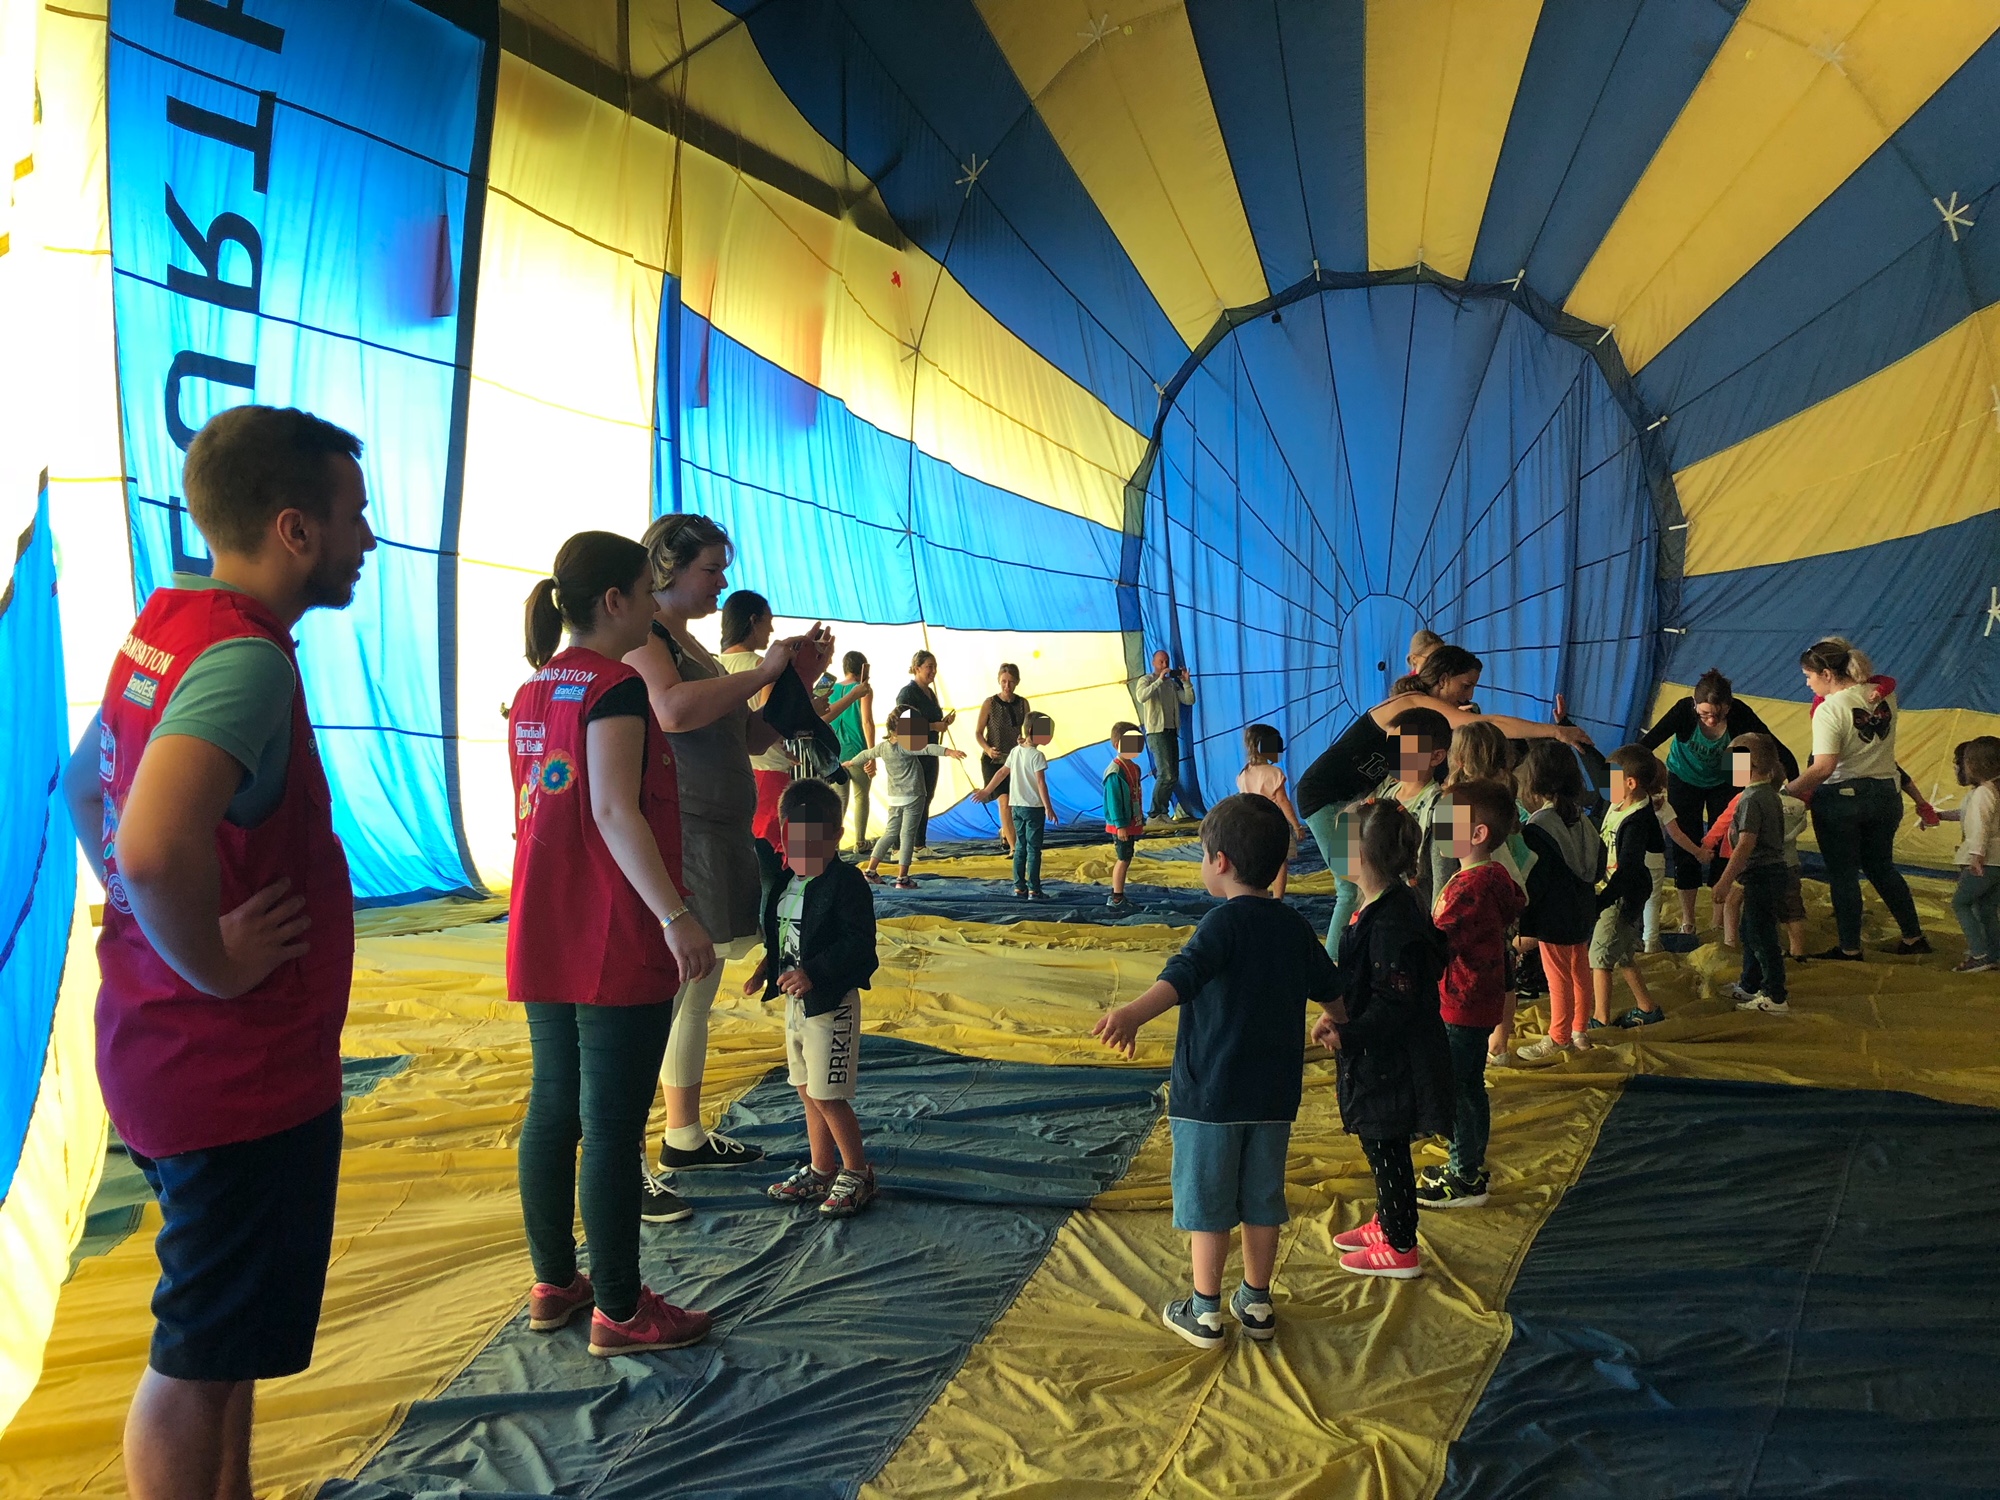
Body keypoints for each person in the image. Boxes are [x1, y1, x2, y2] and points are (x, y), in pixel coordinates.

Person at [59, 406, 370, 1498]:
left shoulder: (168, 624)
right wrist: (215, 964)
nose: (368, 539)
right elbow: (145, 846)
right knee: (194, 1359)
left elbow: (81, 792)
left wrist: (160, 941)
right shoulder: (244, 665)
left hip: (172, 1052)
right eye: (351, 517)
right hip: (229, 1076)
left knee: (225, 1342)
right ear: (294, 530)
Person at [509, 531, 717, 1357]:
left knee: (554, 1105)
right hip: (609, 927)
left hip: (545, 923)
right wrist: (676, 917)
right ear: (615, 603)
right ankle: (623, 1311)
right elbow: (611, 811)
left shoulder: (535, 689)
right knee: (611, 1121)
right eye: (646, 592)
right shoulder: (615, 688)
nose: (656, 615)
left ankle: (557, 1282)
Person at [629, 514, 831, 1195]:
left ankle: (682, 1134)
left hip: (715, 831)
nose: (722, 583)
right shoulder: (646, 639)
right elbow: (673, 712)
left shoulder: (689, 645)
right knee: (660, 995)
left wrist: (792, 679)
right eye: (711, 569)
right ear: (668, 568)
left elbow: (750, 735)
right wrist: (767, 669)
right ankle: (630, 1157)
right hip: (680, 833)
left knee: (696, 985)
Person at [1092, 795, 1338, 1347]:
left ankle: (1204, 1311)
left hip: (1209, 1099)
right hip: (1273, 1098)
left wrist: (1131, 1013)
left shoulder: (1220, 924)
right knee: (1261, 1200)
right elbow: (1332, 986)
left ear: (1220, 862)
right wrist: (1336, 1022)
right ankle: (1256, 1302)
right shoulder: (1293, 927)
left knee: (1208, 1203)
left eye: (1203, 855)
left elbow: (1182, 977)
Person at [1297, 645, 1592, 949]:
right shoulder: (1411, 705)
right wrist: (1554, 732)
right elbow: (1487, 724)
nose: (1469, 695)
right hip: (1325, 795)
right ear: (1443, 679)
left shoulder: (1425, 765)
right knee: (1350, 886)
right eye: (1466, 686)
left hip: (1358, 797)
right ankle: (1336, 969)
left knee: (1367, 882)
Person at [1316, 800, 1454, 1280]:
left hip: (1391, 1060)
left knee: (1385, 1142)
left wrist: (1348, 1035)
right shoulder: (1383, 904)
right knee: (1380, 1145)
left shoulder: (1391, 921)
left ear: (1361, 856)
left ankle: (1400, 1246)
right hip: (1381, 1054)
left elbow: (1394, 1003)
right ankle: (1390, 1219)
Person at [747, 778, 882, 1216]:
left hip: (831, 1004)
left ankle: (857, 1171)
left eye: (813, 841)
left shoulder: (846, 884)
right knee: (806, 1089)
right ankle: (822, 1168)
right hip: (796, 1006)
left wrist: (814, 972)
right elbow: (783, 935)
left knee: (828, 1094)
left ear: (836, 836)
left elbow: (859, 944)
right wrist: (767, 967)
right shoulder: (786, 883)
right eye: (793, 839)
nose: (802, 850)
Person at [1785, 639, 1930, 960]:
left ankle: (1850, 947)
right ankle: (1913, 936)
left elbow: (1823, 768)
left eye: (1808, 676)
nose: (1807, 684)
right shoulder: (1884, 695)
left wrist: (1787, 792)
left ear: (1826, 674)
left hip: (1842, 799)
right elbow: (1882, 680)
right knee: (1881, 866)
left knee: (1843, 875)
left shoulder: (1830, 709)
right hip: (1886, 794)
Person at [1419, 780, 1525, 1209]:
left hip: (1462, 1001)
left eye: (1446, 822)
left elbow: (1439, 943)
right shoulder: (1492, 876)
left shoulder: (1469, 888)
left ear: (1478, 834)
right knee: (1469, 1084)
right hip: (1480, 997)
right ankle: (1468, 1163)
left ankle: (1464, 1178)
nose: (1436, 827)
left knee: (1458, 1087)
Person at [1639, 669, 1799, 937]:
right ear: (1694, 705)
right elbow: (1646, 745)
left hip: (1728, 774)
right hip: (1684, 775)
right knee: (1687, 844)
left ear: (1729, 706)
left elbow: (1773, 745)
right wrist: (1630, 781)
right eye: (1704, 714)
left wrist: (1794, 785)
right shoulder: (1682, 712)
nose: (1711, 719)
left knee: (1727, 842)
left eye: (1718, 713)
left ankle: (1717, 918)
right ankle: (1688, 919)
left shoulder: (1740, 714)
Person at [1514, 742, 1605, 1063]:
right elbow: (1599, 863)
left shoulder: (1538, 828)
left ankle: (1559, 1037)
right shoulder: (1583, 821)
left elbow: (1534, 883)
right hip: (1583, 911)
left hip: (1553, 918)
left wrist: (1524, 925)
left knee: (1558, 978)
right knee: (1580, 971)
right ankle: (1580, 1031)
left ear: (1533, 780)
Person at [716, 590, 800, 900]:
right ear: (754, 621)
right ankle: (776, 943)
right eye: (769, 622)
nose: (772, 630)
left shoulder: (710, 666)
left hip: (734, 773)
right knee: (777, 871)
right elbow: (768, 720)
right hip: (770, 775)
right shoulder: (768, 667)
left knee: (750, 863)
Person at [1712, 734, 1793, 1016]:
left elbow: (1746, 842)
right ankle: (1750, 983)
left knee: (1762, 935)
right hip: (1764, 874)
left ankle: (1775, 995)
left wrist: (1724, 881)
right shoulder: (1767, 794)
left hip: (1762, 874)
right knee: (1751, 931)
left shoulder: (1752, 798)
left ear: (1750, 763)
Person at [1593, 747, 1666, 1028]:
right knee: (1623, 953)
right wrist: (1573, 735)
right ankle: (1647, 1008)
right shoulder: (1620, 800)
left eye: (1609, 779)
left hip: (1622, 895)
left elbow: (1627, 870)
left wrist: (1601, 902)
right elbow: (1597, 766)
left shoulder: (1637, 819)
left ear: (1630, 783)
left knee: (1599, 958)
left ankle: (1599, 1020)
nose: (1602, 785)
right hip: (1613, 889)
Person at [851, 706, 964, 887]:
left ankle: (871, 871)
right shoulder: (907, 747)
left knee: (889, 833)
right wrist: (949, 751)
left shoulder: (883, 748)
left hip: (895, 798)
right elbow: (928, 749)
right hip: (914, 796)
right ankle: (902, 878)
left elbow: (866, 754)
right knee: (907, 836)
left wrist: (850, 762)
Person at [1368, 707, 1451, 907]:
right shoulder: (1383, 794)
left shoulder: (1444, 806)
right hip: (1381, 899)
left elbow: (1444, 874)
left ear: (1436, 757)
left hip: (1419, 904)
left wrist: (1436, 923)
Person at [974, 711, 1057, 899]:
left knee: (1020, 846)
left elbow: (1002, 772)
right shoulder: (1038, 756)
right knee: (1034, 849)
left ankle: (1019, 887)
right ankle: (1034, 889)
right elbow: (1041, 783)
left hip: (1016, 806)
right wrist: (1048, 807)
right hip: (1033, 807)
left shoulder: (1015, 751)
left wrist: (987, 791)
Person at [1946, 737, 2000, 972]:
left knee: (1961, 903)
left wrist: (1976, 856)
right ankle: (1995, 953)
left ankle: (1979, 953)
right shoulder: (1994, 790)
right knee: (1988, 907)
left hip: (1985, 860)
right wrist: (1939, 815)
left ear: (1975, 764)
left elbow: (1980, 826)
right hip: (1997, 861)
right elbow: (1971, 815)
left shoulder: (1983, 793)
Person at [895, 649, 956, 853]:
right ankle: (899, 846)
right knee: (911, 798)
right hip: (914, 753)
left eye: (935, 667)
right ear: (917, 667)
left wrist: (942, 723)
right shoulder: (907, 693)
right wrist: (932, 726)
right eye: (929, 666)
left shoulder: (931, 693)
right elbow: (902, 725)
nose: (933, 671)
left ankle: (919, 844)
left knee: (926, 796)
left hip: (930, 751)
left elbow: (931, 720)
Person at [1237, 723, 1306, 899]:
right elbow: (1283, 801)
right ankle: (1277, 898)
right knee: (1280, 862)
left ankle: (1256, 894)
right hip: (1274, 824)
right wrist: (1296, 825)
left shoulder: (1243, 774)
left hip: (1251, 824)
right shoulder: (1274, 773)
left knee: (1258, 860)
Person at [975, 663, 1030, 854]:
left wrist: (1024, 741)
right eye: (1004, 681)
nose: (1007, 686)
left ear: (1017, 682)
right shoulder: (990, 703)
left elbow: (1026, 731)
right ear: (999, 680)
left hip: (1014, 760)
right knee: (1004, 800)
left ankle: (1005, 831)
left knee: (1015, 804)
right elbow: (978, 733)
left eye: (1011, 682)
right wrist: (988, 749)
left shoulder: (1023, 703)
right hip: (993, 761)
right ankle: (1015, 849)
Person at [1135, 649, 1197, 821]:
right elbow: (1141, 696)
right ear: (1154, 663)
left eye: (1166, 662)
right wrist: (1159, 681)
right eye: (1161, 662)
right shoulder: (1146, 680)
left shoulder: (1172, 684)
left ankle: (1162, 812)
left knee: (1173, 775)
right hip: (1156, 732)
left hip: (1171, 731)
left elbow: (1189, 700)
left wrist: (1186, 682)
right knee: (1166, 774)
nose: (1164, 665)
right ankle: (1155, 814)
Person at [828, 651, 875, 854]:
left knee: (839, 801)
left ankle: (834, 844)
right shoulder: (863, 689)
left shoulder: (831, 689)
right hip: (857, 748)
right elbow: (866, 721)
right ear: (863, 668)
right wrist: (872, 753)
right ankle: (860, 842)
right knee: (861, 796)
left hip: (835, 751)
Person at [1104, 721, 1146, 909]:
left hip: (1131, 820)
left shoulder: (1134, 768)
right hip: (1121, 824)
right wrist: (1120, 824)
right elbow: (1114, 800)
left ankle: (1118, 895)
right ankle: (1116, 897)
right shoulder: (1115, 771)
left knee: (1127, 856)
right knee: (1123, 858)